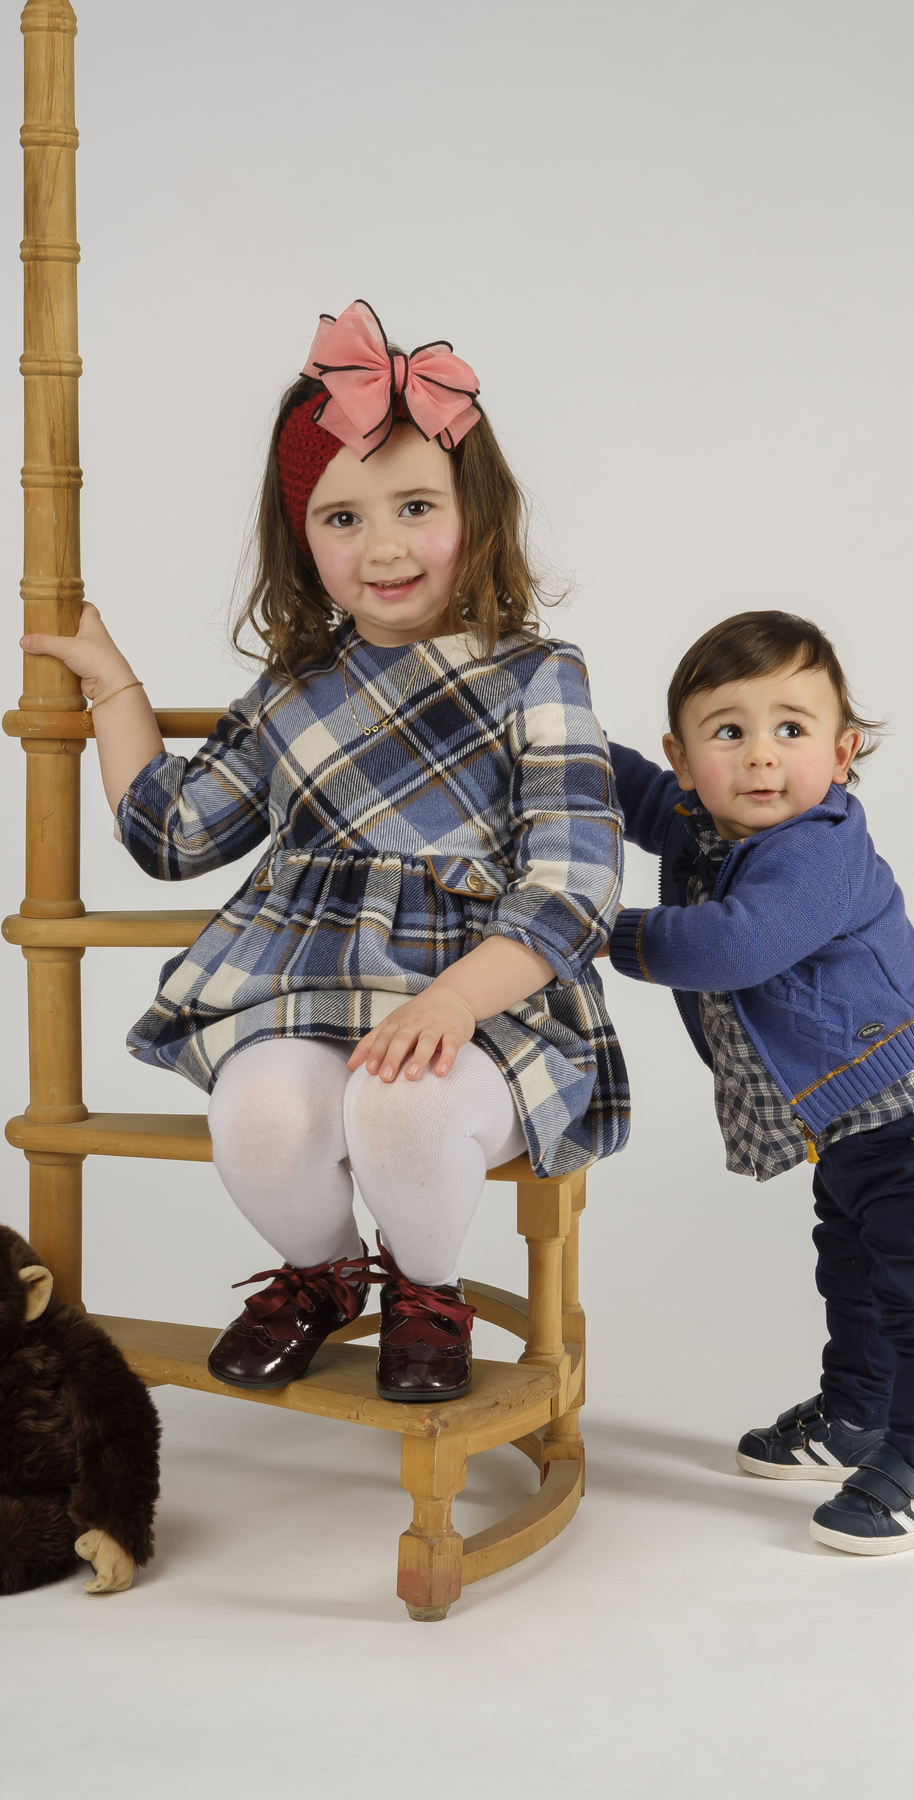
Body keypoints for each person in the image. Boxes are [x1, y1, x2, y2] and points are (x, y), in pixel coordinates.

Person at [22, 299, 628, 1405]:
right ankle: (322, 1275)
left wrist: (452, 1001)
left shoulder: (534, 674)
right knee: (255, 1114)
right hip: (306, 991)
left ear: (474, 513)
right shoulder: (299, 686)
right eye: (341, 518)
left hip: (482, 1003)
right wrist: (115, 684)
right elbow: (175, 831)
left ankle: (426, 1286)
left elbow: (571, 885)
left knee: (403, 1102)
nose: (383, 546)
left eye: (413, 505)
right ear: (300, 536)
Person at [605, 611, 914, 1554]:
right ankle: (855, 1417)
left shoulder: (819, 845)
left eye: (792, 729)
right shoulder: (700, 823)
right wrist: (556, 731)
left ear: (843, 748)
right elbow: (625, 788)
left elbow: (736, 945)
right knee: (852, 1278)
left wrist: (590, 927)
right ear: (685, 751)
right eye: (728, 731)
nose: (760, 759)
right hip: (851, 1132)